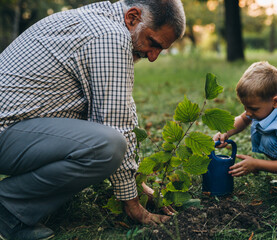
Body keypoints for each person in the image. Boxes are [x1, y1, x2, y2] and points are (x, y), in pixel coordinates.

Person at [0, 0, 185, 239]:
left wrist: (138, 184)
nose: (152, 57)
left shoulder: (98, 22)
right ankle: (6, 209)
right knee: (107, 145)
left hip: (14, 128)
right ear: (132, 17)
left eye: (161, 49)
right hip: (6, 130)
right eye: (153, 43)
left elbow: (123, 110)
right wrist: (133, 204)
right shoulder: (109, 35)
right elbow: (115, 124)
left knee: (106, 141)